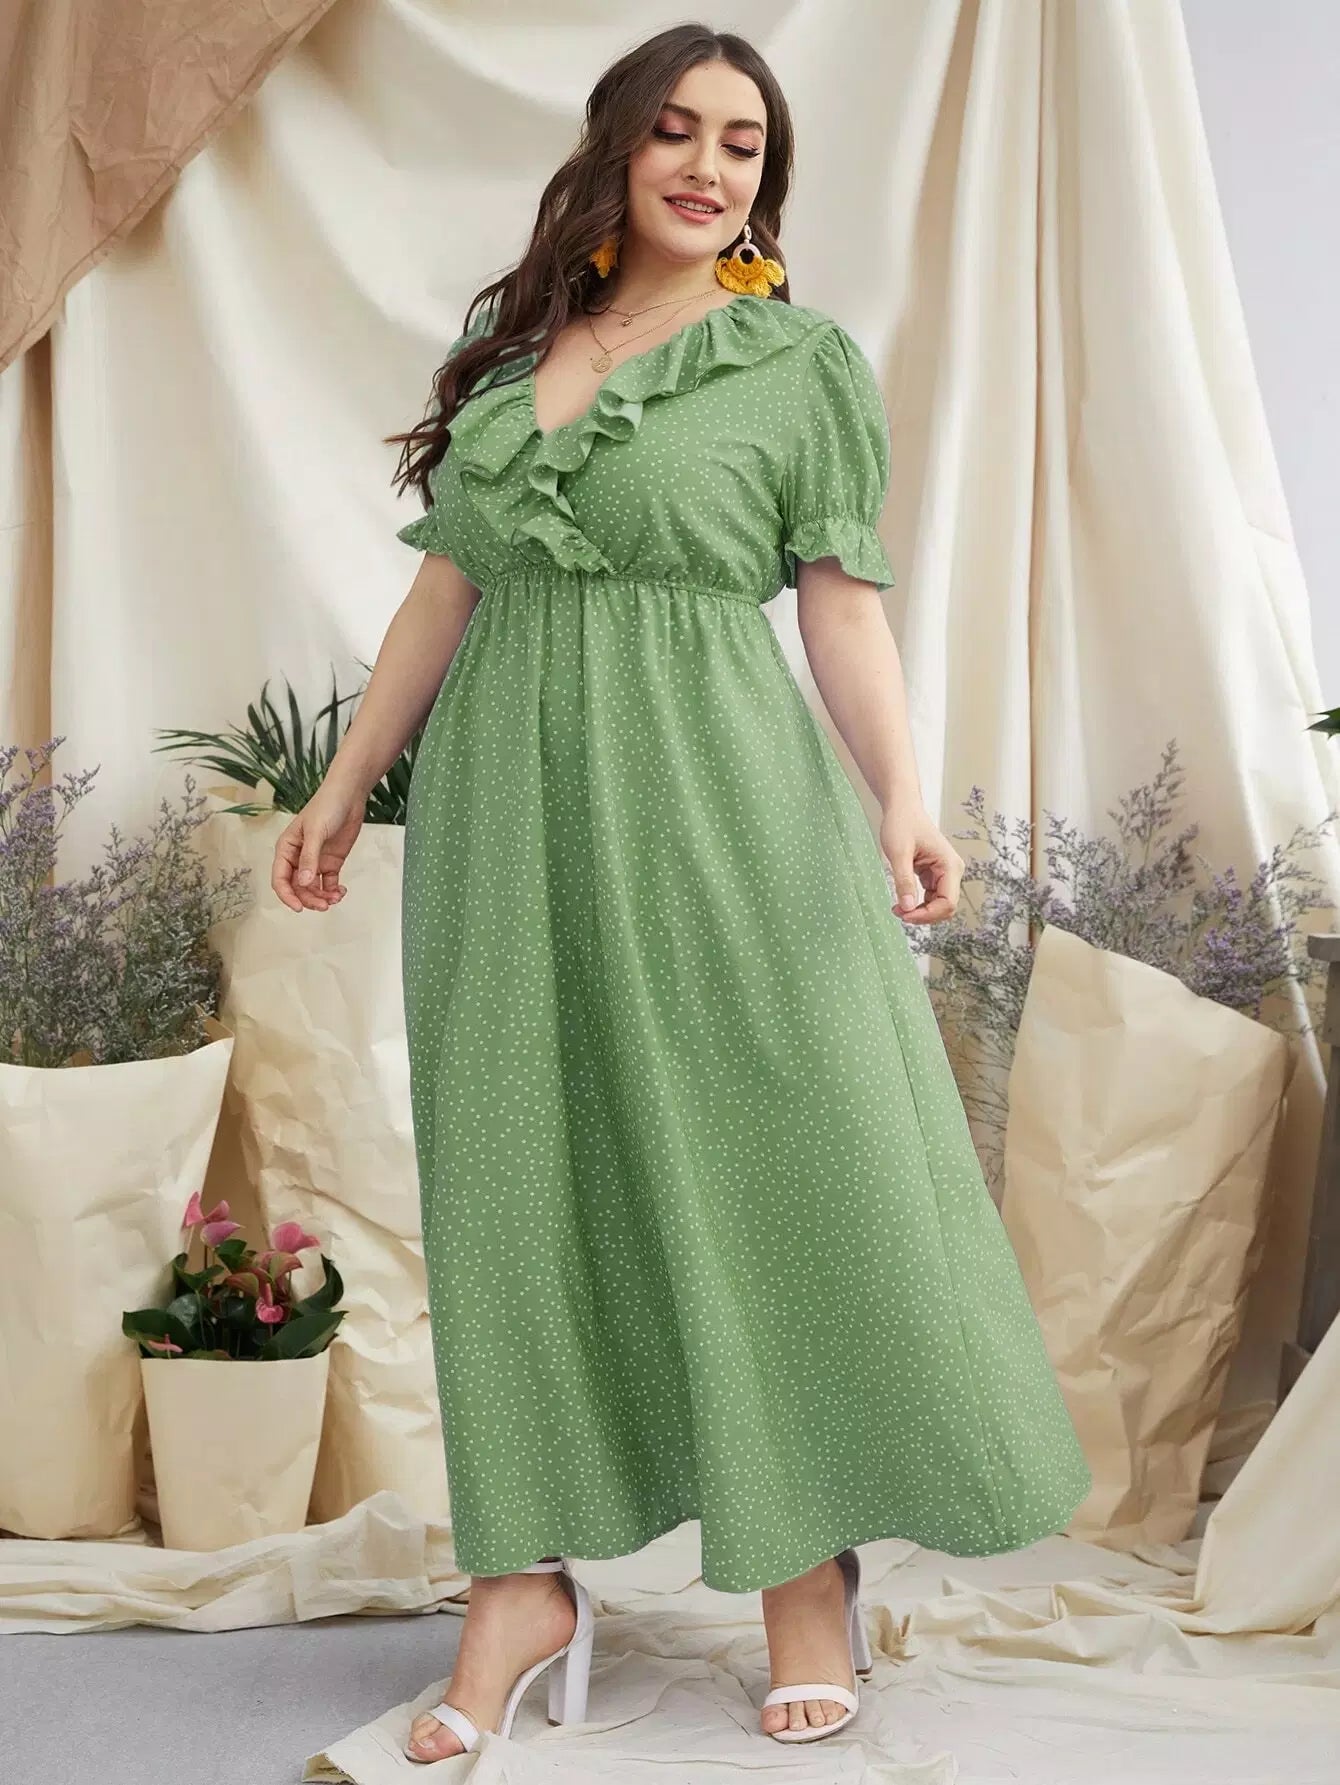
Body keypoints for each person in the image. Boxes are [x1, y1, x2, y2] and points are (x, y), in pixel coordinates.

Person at [271, 21, 1092, 1761]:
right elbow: (443, 595)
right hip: (507, 823)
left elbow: (843, 602)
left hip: (721, 805)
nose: (709, 166)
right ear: (616, 149)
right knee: (518, 1175)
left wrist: (905, 798)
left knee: (771, 1161)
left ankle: (803, 1567)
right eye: (677, 131)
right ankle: (518, 1582)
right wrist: (344, 787)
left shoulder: (798, 363)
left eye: (743, 143)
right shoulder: (516, 368)